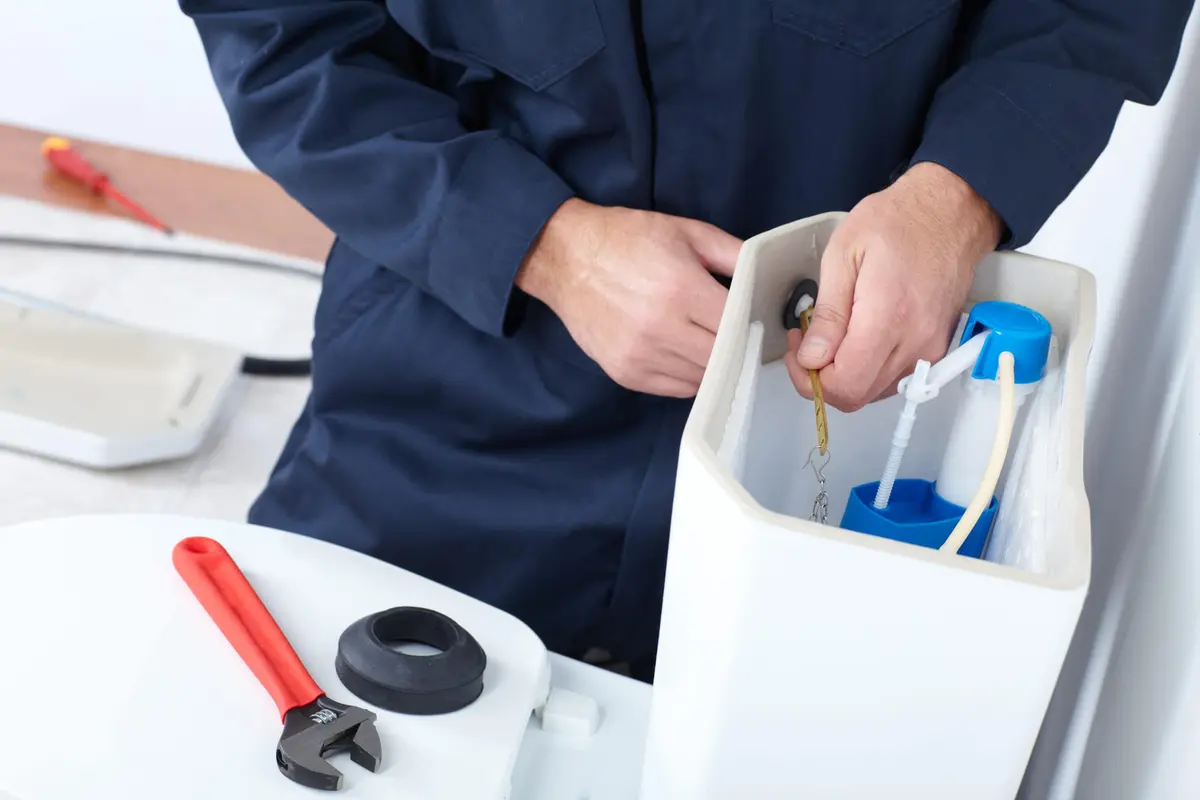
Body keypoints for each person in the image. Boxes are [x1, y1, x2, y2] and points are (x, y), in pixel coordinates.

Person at [180, 0, 1193, 679]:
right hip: (452, 390)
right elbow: (281, 32)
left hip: (839, 426)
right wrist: (542, 245)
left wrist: (958, 198)